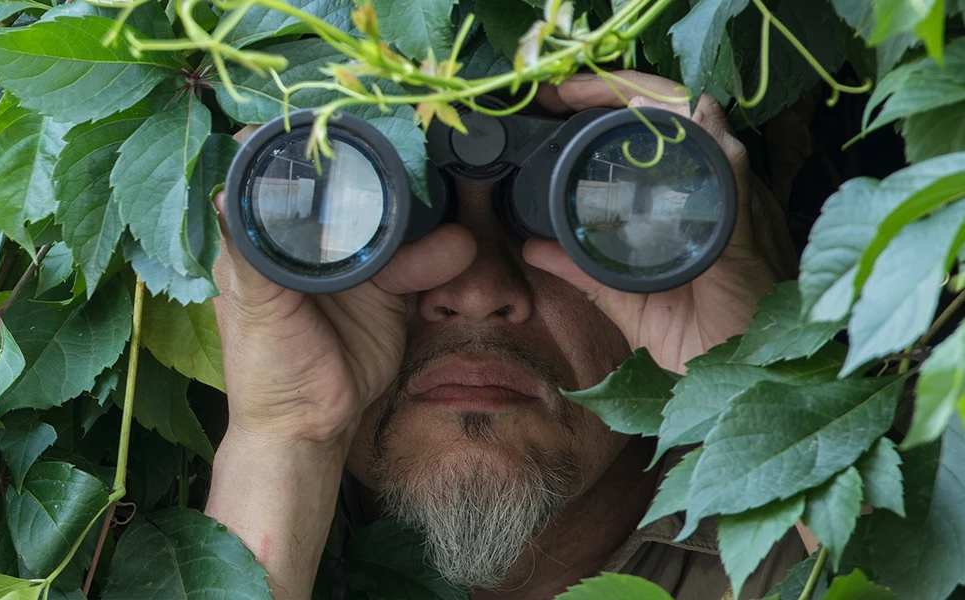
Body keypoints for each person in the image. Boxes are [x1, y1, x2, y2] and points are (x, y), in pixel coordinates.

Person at [205, 70, 806, 600]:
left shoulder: (799, 552)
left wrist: (756, 377)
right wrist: (285, 434)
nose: (475, 292)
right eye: (372, 215)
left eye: (594, 215)